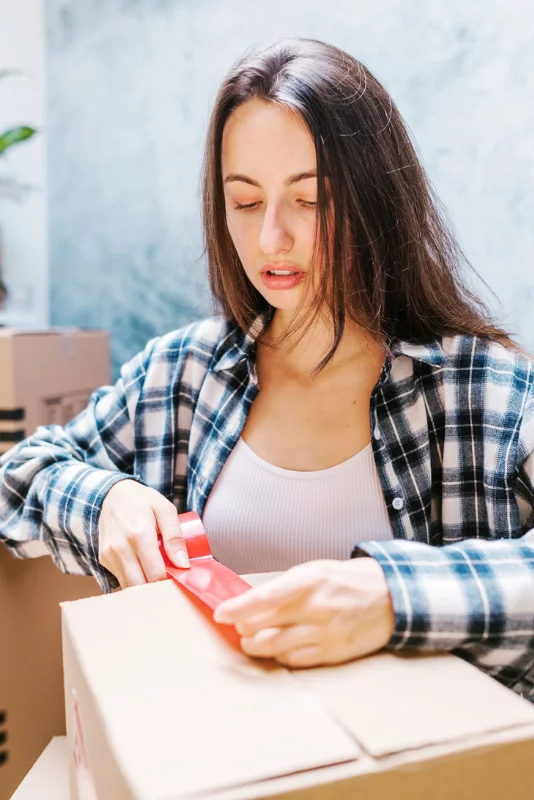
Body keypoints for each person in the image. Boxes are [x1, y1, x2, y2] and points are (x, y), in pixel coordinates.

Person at [1, 37, 534, 696]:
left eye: (310, 200)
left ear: (375, 199)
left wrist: (394, 597)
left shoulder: (483, 389)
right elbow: (21, 477)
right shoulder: (184, 372)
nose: (270, 238)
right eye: (245, 202)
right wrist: (105, 500)